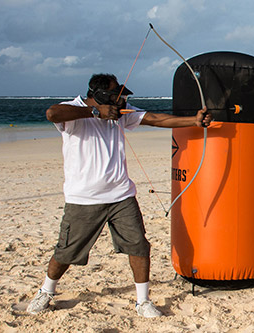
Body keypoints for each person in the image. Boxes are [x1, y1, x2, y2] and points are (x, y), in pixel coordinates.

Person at [26, 73, 212, 318]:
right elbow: (52, 114)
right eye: (116, 94)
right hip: (84, 198)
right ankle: (46, 291)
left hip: (122, 195)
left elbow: (155, 118)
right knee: (66, 252)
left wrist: (194, 120)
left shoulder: (121, 112)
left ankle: (143, 301)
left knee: (138, 246)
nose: (121, 99)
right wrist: (96, 113)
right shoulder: (74, 111)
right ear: (100, 94)